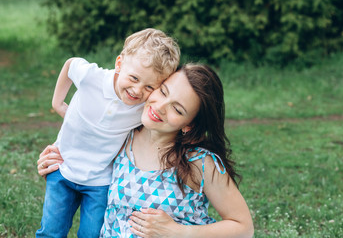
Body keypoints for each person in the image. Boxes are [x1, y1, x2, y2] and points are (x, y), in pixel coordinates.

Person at [38, 63, 254, 237]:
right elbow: (86, 154)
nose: (160, 106)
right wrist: (57, 159)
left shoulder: (199, 163)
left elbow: (243, 227)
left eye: (177, 109)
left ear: (189, 125)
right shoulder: (123, 136)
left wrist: (179, 232)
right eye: (162, 91)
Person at [35, 28, 180, 238]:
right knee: (51, 231)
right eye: (134, 78)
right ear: (119, 64)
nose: (137, 90)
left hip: (100, 181)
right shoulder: (91, 77)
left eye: (149, 86)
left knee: (92, 234)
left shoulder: (142, 108)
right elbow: (70, 64)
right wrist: (58, 103)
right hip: (62, 166)